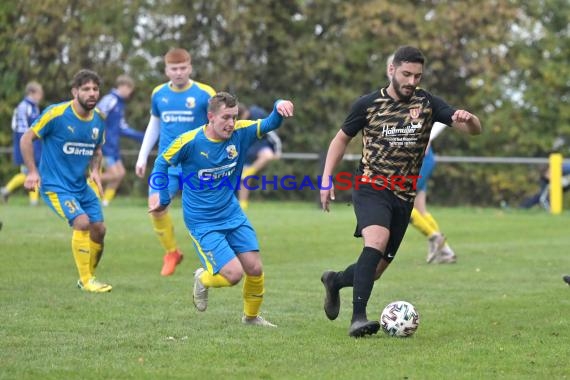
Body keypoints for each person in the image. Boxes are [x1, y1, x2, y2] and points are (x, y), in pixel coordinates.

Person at [319, 46, 482, 337]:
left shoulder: (427, 102)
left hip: (404, 196)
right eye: (406, 74)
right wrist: (326, 179)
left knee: (376, 269)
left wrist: (470, 120)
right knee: (376, 241)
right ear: (391, 70)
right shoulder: (368, 104)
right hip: (371, 187)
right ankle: (358, 318)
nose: (412, 81)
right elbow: (340, 140)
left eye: (417, 75)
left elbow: (472, 131)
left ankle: (335, 280)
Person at [150, 92, 294, 326]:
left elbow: (270, 123)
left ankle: (251, 318)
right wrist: (163, 195)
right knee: (234, 275)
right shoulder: (189, 141)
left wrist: (279, 105)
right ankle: (203, 279)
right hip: (202, 221)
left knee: (255, 268)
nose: (231, 123)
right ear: (210, 117)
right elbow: (161, 162)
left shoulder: (241, 132)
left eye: (234, 117)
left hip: (232, 214)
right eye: (226, 117)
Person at [20, 69, 112, 292]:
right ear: (75, 92)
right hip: (56, 186)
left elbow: (97, 150)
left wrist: (96, 172)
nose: (92, 93)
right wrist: (32, 172)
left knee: (99, 229)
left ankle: (87, 277)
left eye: (95, 89)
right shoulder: (57, 114)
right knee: (81, 222)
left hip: (81, 186)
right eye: (86, 89)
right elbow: (26, 138)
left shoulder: (99, 119)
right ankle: (87, 280)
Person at [135, 48, 216, 276]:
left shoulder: (204, 93)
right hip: (167, 165)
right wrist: (142, 157)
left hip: (198, 165)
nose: (179, 73)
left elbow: (218, 124)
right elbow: (155, 125)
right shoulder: (158, 93)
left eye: (183, 68)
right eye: (174, 69)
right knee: (155, 206)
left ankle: (215, 256)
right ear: (166, 70)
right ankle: (172, 252)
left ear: (190, 68)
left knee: (204, 213)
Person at [385, 54, 456, 264]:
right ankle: (445, 251)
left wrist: (425, 139)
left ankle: (436, 240)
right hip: (413, 160)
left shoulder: (419, 98)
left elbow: (443, 120)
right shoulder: (391, 98)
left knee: (402, 202)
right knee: (420, 207)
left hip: (420, 159)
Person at [410, 123, 458, 264]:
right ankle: (445, 252)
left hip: (421, 163)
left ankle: (435, 238)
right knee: (420, 210)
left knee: (403, 206)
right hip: (423, 162)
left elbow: (423, 146)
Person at [95, 74, 144, 207]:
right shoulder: (110, 99)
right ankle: (87, 181)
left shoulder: (120, 104)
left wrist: (142, 137)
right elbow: (96, 115)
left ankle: (105, 203)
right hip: (105, 145)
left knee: (120, 174)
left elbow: (122, 127)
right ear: (122, 86)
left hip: (113, 145)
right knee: (114, 174)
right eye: (129, 90)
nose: (129, 93)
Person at [1, 81, 44, 205]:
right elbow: (22, 130)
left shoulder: (35, 107)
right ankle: (32, 200)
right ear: (31, 93)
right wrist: (27, 145)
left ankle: (7, 191)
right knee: (30, 171)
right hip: (27, 144)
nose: (40, 96)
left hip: (35, 144)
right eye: (39, 93)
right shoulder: (23, 107)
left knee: (30, 172)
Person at [237, 105, 282, 210]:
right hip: (248, 147)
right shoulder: (236, 122)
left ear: (246, 112)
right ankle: (243, 204)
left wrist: (278, 151)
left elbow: (271, 130)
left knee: (268, 155)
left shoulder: (258, 113)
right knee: (244, 178)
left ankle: (251, 170)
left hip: (261, 144)